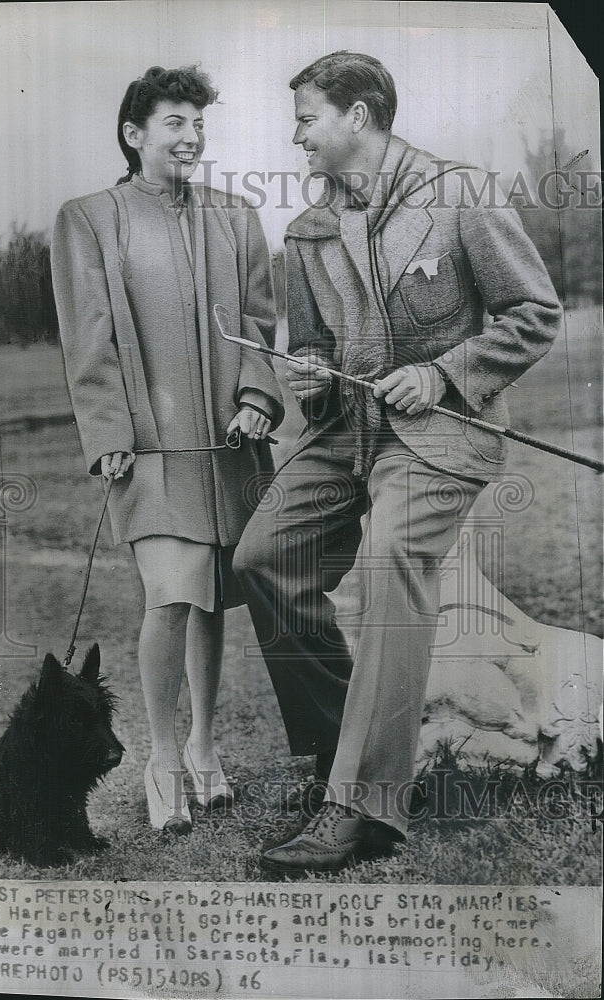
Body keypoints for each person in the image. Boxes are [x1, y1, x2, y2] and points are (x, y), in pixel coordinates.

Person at [233, 51, 562, 874]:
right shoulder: (306, 229)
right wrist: (307, 376)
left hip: (442, 432)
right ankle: (339, 754)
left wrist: (442, 371)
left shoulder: (460, 193)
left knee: (390, 562)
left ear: (359, 115)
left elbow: (534, 312)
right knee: (264, 558)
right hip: (348, 433)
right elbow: (307, 345)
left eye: (307, 116)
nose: (296, 135)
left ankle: (365, 806)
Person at [52, 65, 283, 834]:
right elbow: (88, 341)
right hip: (148, 451)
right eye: (174, 122)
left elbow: (258, 323)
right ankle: (158, 757)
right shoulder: (89, 218)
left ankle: (205, 749)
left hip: (229, 449)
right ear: (134, 134)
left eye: (197, 122)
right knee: (173, 593)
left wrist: (257, 396)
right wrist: (110, 435)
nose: (190, 136)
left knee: (213, 598)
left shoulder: (236, 216)